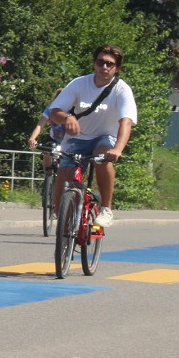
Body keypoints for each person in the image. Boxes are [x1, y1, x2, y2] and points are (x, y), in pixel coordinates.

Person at [47, 45, 136, 228]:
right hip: (77, 139)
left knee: (102, 158)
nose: (104, 67)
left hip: (105, 137)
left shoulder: (121, 89)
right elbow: (54, 112)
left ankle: (106, 208)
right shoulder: (79, 83)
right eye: (100, 62)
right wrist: (68, 117)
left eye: (110, 64)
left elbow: (125, 122)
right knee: (62, 188)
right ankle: (66, 228)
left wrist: (117, 149)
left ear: (117, 68)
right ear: (94, 64)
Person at [26, 88, 65, 174]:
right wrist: (32, 138)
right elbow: (40, 125)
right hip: (53, 139)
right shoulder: (51, 109)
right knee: (47, 153)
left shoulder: (72, 110)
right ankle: (48, 178)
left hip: (68, 140)